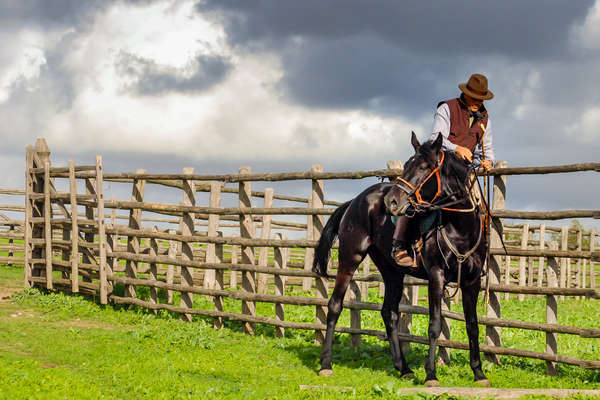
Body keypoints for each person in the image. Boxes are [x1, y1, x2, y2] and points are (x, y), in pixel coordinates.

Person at [392, 73, 496, 267]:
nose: (477, 103)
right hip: (442, 167)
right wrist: (457, 148)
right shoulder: (447, 108)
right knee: (418, 200)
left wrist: (488, 162)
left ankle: (479, 253)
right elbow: (435, 139)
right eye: (474, 98)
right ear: (465, 94)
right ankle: (403, 245)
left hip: (466, 174)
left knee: (482, 211)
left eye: (480, 99)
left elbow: (487, 150)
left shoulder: (485, 120)